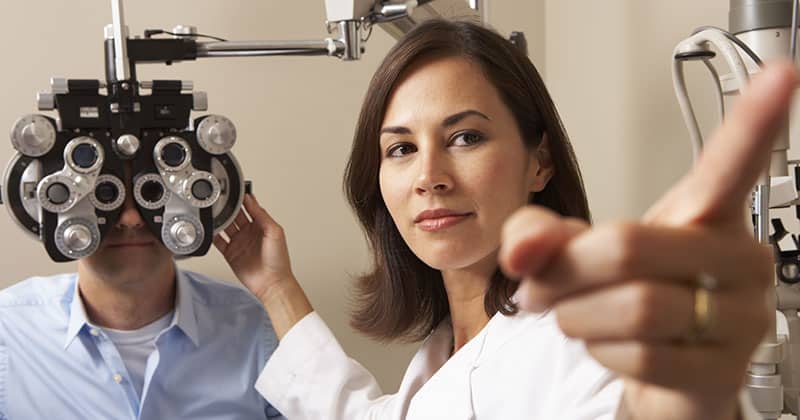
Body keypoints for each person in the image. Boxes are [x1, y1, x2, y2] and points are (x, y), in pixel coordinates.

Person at [215, 20, 795, 419]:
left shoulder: (580, 346)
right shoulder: (447, 349)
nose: (429, 175)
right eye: (400, 148)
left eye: (465, 136)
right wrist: (274, 286)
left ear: (538, 161)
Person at [0, 167, 285, 420]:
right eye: (105, 193)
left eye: (151, 192)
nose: (131, 218)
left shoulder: (253, 327)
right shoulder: (9, 331)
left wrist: (276, 289)